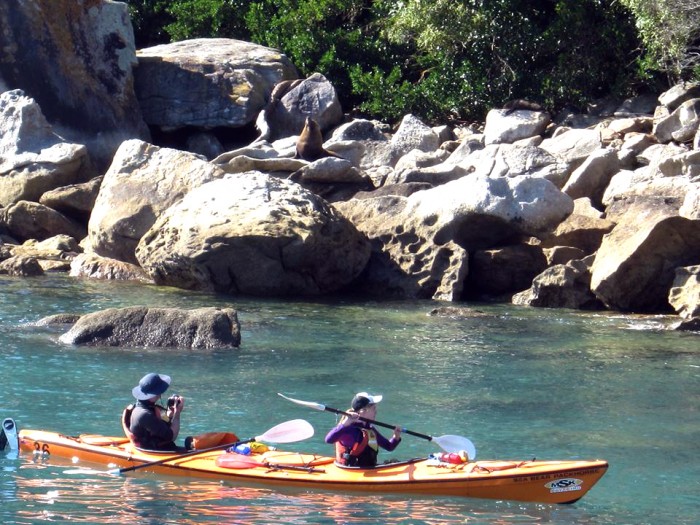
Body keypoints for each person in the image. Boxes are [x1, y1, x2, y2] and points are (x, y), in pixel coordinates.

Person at [325, 392, 401, 467]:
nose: (376, 411)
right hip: (352, 473)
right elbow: (329, 439)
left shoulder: (370, 430)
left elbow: (389, 446)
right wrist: (345, 423)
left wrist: (396, 437)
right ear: (363, 411)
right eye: (373, 408)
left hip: (369, 470)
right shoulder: (349, 430)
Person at [127, 372, 186, 451]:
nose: (160, 394)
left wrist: (170, 413)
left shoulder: (149, 407)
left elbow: (163, 423)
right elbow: (172, 436)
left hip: (161, 447)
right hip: (155, 451)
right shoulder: (145, 415)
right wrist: (177, 413)